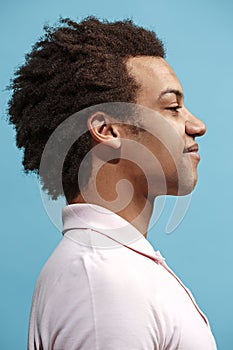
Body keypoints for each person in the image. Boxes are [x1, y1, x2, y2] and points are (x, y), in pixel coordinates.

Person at [8, 17, 217, 349]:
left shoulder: (114, 267)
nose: (198, 125)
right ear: (107, 131)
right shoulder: (104, 281)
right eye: (173, 107)